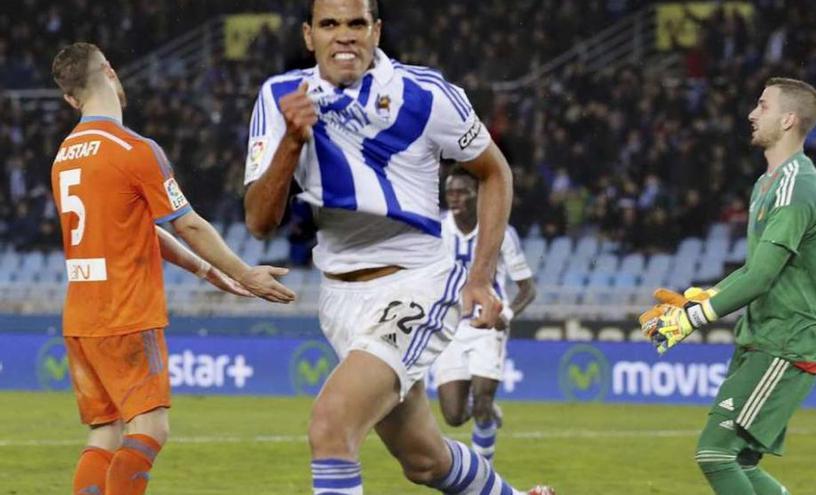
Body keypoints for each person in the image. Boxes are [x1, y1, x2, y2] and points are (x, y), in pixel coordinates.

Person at [243, 1, 554, 493]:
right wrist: (292, 142)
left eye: (356, 24)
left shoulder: (425, 94)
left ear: (376, 30)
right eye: (329, 25)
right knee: (424, 460)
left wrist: (478, 277)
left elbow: (495, 172)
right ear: (309, 36)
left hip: (418, 281)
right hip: (341, 297)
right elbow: (260, 221)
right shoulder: (280, 96)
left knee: (331, 426)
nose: (343, 36)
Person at [50, 42, 296, 495]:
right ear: (110, 70)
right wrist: (245, 273)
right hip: (124, 313)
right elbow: (189, 225)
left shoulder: (64, 155)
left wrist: (208, 272)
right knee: (150, 428)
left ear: (70, 99)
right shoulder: (134, 148)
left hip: (81, 317)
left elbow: (140, 229)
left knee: (106, 432)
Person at [639, 78, 816, 495]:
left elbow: (762, 278)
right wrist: (704, 297)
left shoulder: (794, 186)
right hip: (765, 337)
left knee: (716, 454)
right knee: (738, 460)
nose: (751, 113)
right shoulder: (769, 183)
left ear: (788, 119)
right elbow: (756, 268)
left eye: (762, 106)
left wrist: (694, 319)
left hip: (785, 340)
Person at [433, 166, 536, 463]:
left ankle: (483, 476)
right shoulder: (437, 229)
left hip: (488, 326)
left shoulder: (500, 232)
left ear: (477, 195)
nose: (454, 198)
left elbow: (527, 289)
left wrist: (507, 315)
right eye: (450, 192)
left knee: (482, 400)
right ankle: (487, 410)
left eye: (461, 192)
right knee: (453, 416)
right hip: (449, 326)